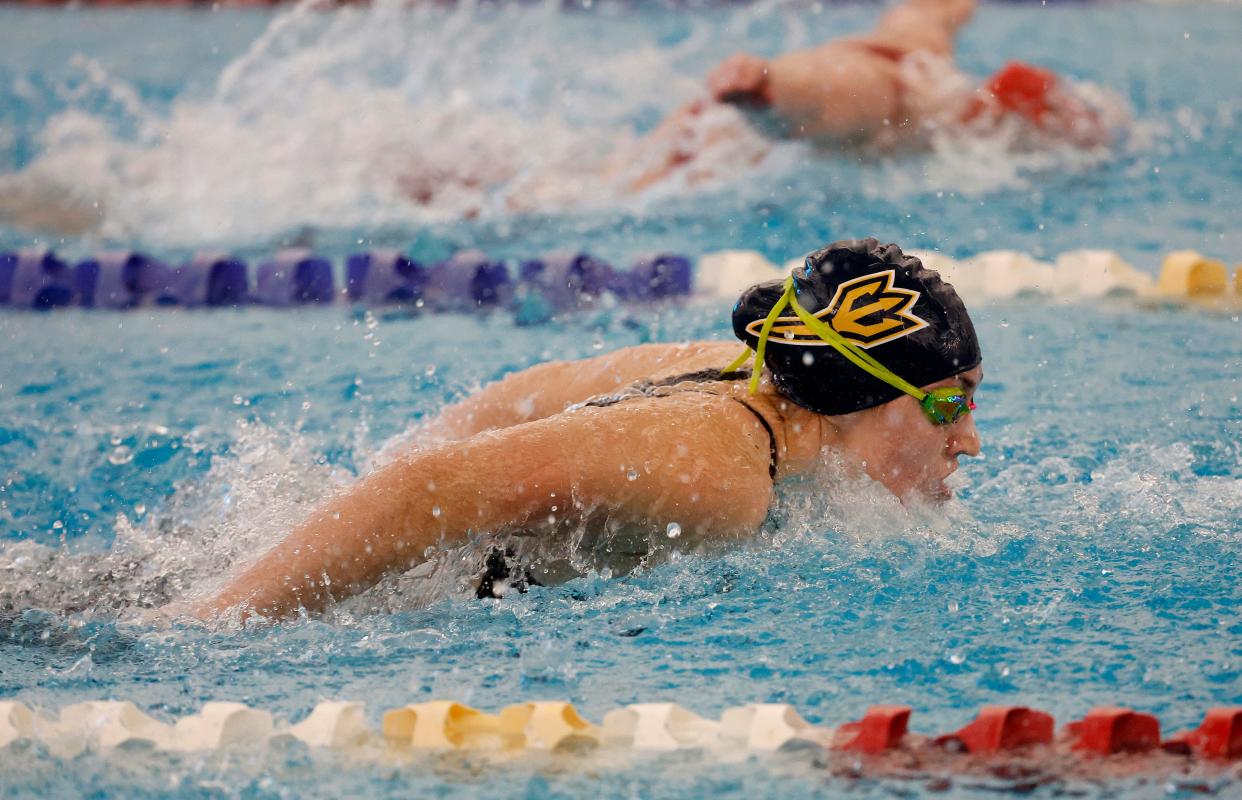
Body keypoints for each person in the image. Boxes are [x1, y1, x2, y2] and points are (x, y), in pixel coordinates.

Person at [193, 238, 983, 622]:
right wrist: (212, 625)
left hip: (306, 539)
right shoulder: (723, 477)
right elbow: (428, 485)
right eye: (949, 405)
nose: (969, 439)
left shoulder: (742, 369)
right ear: (855, 396)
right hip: (354, 591)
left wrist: (329, 506)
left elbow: (518, 402)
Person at [620, 0, 1112, 191]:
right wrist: (774, 87)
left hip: (719, 121)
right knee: (875, 89)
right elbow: (852, 83)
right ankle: (769, 87)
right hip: (792, 98)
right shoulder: (930, 88)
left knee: (616, 180)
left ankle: (769, 89)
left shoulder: (937, 74)